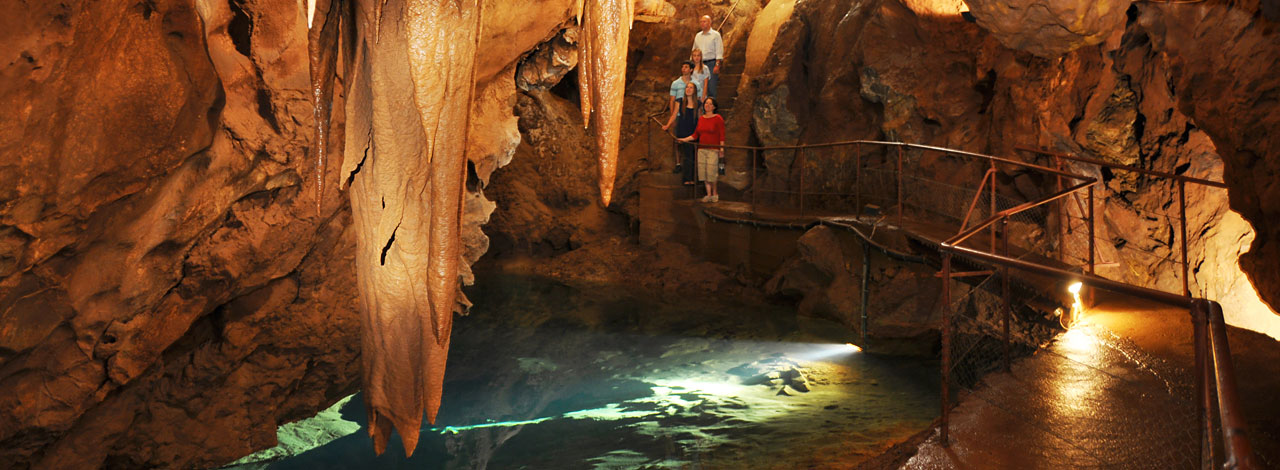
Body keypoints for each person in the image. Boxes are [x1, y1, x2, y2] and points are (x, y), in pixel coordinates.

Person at [678, 97, 725, 202]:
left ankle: (714, 193)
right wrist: (684, 139)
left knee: (711, 172)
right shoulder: (701, 119)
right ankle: (708, 194)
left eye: (709, 104)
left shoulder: (718, 118)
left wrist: (722, 149)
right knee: (703, 172)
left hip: (713, 149)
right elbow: (696, 135)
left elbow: (722, 135)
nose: (707, 105)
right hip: (701, 149)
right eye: (706, 103)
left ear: (714, 107)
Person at [662, 78, 701, 186]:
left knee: (692, 154)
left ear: (694, 90)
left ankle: (692, 178)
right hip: (683, 129)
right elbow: (674, 114)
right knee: (687, 155)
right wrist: (668, 125)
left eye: (691, 88)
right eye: (687, 87)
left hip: (693, 130)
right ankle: (687, 179)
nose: (688, 89)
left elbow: (700, 117)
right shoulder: (680, 101)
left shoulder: (698, 103)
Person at [692, 15, 723, 98]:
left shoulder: (715, 35)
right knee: (699, 87)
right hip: (699, 64)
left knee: (711, 87)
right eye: (701, 22)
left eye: (704, 21)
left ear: (710, 23)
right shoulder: (698, 36)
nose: (702, 23)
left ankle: (711, 109)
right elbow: (694, 49)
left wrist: (717, 65)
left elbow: (719, 50)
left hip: (711, 63)